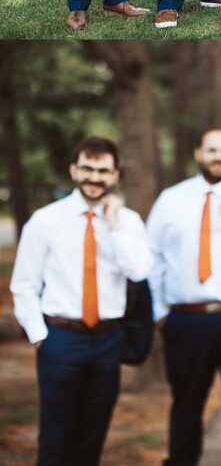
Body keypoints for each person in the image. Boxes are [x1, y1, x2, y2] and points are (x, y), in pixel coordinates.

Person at [10, 136, 151, 466]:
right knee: (56, 436)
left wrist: (114, 226)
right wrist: (40, 337)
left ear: (115, 175)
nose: (94, 177)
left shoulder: (128, 222)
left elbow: (140, 270)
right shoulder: (45, 220)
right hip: (60, 338)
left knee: (93, 434)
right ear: (74, 171)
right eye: (87, 168)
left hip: (108, 340)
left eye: (103, 170)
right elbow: (24, 284)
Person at [146, 128, 221, 466]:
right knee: (185, 402)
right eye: (212, 150)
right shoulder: (171, 199)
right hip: (186, 319)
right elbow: (151, 257)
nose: (219, 157)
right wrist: (159, 312)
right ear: (198, 153)